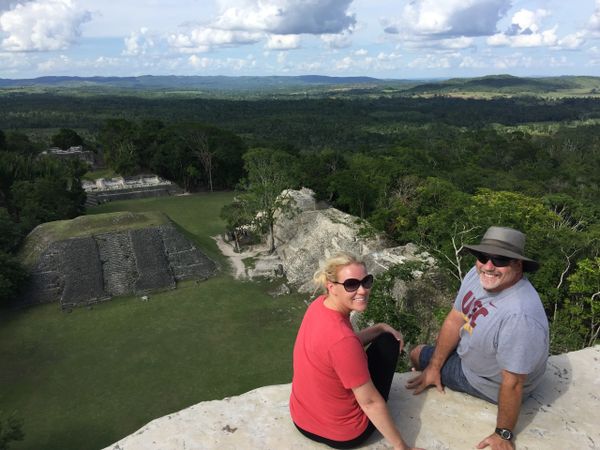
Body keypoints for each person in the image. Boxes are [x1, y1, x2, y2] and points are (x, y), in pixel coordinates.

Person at [406, 226, 549, 450]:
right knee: (424, 357)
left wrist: (503, 434)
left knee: (416, 353)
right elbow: (456, 319)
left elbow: (512, 383)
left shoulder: (519, 316)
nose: (489, 266)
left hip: (485, 381)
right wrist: (434, 366)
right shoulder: (479, 275)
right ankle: (432, 370)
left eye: (500, 259)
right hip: (474, 356)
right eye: (483, 256)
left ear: (518, 265)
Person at [289, 252, 423, 450]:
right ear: (331, 286)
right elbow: (369, 402)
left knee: (382, 335)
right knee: (389, 342)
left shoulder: (318, 306)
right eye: (351, 284)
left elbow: (337, 350)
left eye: (366, 281)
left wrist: (378, 328)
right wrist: (402, 446)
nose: (362, 290)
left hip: (301, 419)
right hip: (344, 433)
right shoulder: (342, 341)